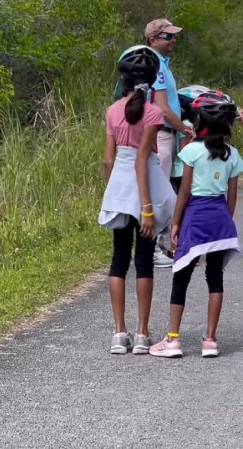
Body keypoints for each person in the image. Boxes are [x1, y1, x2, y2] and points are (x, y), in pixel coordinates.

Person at [149, 95, 241, 358]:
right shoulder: (233, 155)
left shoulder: (190, 151)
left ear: (201, 122)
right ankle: (210, 340)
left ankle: (173, 340)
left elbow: (185, 192)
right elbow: (231, 197)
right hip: (220, 220)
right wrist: (225, 220)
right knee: (215, 278)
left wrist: (176, 223)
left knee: (182, 276)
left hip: (195, 218)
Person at [98, 47, 176, 354]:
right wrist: (146, 208)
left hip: (119, 185)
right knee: (143, 260)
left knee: (119, 259)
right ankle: (143, 334)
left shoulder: (112, 110)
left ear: (123, 78)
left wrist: (114, 192)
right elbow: (143, 159)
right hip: (146, 188)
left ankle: (120, 333)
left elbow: (108, 160)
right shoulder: (154, 113)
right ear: (153, 78)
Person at [145, 18, 195, 268]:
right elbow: (162, 109)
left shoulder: (163, 64)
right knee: (160, 192)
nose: (173, 40)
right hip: (161, 133)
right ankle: (150, 248)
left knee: (165, 191)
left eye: (173, 36)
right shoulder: (154, 65)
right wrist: (184, 127)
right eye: (168, 36)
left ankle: (158, 245)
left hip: (168, 133)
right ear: (153, 40)